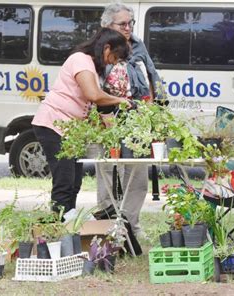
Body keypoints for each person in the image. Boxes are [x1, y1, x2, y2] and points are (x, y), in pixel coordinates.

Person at [32, 28, 131, 215]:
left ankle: (70, 225)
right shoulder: (80, 60)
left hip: (71, 132)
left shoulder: (91, 66)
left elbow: (90, 103)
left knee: (74, 183)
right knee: (64, 182)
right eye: (115, 57)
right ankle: (60, 232)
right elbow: (93, 94)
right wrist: (120, 100)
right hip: (54, 125)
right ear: (107, 48)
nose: (113, 62)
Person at [95, 2, 163, 237]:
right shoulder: (100, 47)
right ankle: (109, 226)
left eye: (130, 23)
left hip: (138, 119)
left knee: (138, 174)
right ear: (107, 25)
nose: (128, 27)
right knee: (108, 174)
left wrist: (154, 112)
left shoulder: (137, 44)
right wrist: (102, 115)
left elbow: (151, 76)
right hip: (109, 118)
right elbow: (95, 83)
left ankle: (131, 224)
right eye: (122, 23)